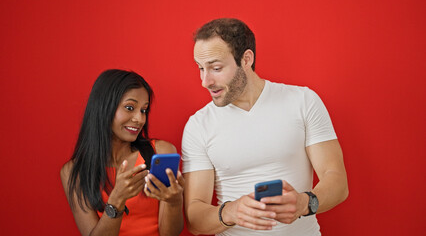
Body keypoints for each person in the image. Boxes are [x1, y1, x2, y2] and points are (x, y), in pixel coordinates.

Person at [182, 18, 349, 236]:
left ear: (246, 59)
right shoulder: (198, 125)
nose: (205, 81)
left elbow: (336, 179)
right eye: (200, 68)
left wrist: (304, 203)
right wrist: (231, 212)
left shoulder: (303, 101)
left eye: (215, 68)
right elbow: (195, 219)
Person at [60, 69, 184, 236]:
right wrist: (117, 200)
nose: (139, 119)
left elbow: (170, 234)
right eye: (130, 107)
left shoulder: (160, 152)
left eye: (143, 110)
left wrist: (174, 202)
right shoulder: (73, 172)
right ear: (104, 107)